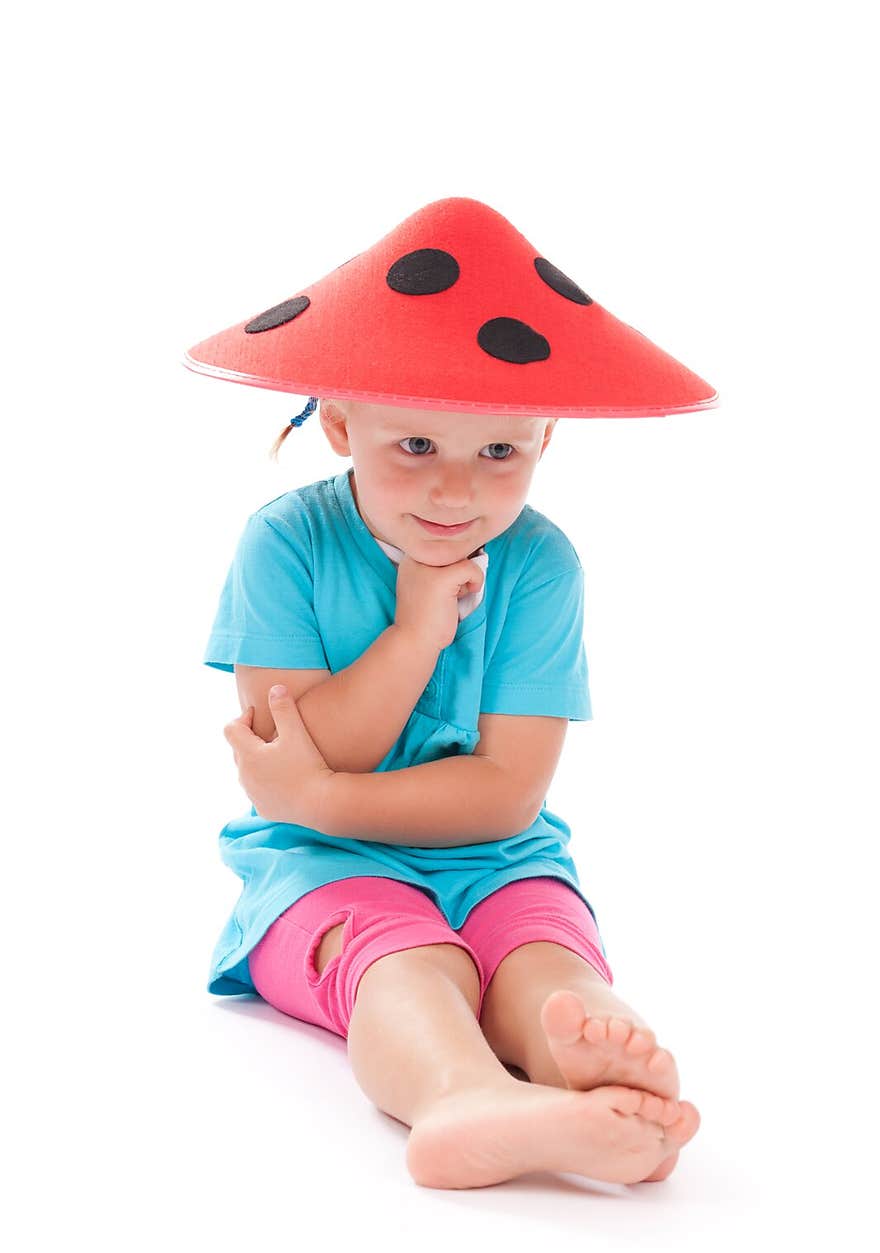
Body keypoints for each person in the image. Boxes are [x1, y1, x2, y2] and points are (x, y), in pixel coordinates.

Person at [186, 196, 717, 1190]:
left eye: (497, 454)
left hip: (499, 857)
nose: (455, 493)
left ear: (545, 436)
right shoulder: (285, 544)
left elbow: (506, 793)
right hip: (317, 869)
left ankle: (598, 1074)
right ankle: (459, 1100)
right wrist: (418, 627)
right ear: (340, 423)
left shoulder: (542, 564)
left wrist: (322, 797)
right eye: (415, 448)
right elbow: (303, 765)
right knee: (401, 963)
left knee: (544, 967)